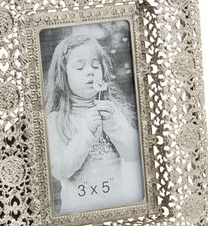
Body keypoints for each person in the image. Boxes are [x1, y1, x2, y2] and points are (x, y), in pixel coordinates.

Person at [43, 33, 144, 214]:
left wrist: (114, 124)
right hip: (77, 213)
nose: (90, 71)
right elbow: (60, 171)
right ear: (63, 75)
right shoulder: (55, 120)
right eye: (80, 67)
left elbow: (134, 152)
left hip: (117, 207)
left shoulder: (112, 111)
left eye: (95, 66)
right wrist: (86, 133)